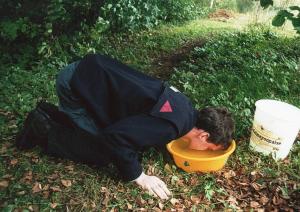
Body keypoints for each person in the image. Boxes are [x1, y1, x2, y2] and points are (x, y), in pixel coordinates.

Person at [16, 53, 235, 200]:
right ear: (204, 136)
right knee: (102, 152)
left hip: (91, 72)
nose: (205, 152)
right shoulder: (171, 127)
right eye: (209, 150)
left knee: (104, 135)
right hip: (76, 83)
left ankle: (49, 113)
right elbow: (115, 138)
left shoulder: (187, 109)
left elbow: (148, 122)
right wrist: (139, 176)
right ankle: (42, 129)